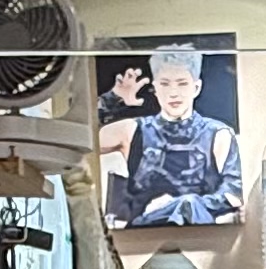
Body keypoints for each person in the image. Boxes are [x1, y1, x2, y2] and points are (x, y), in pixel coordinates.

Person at [97, 41, 244, 226]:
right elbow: (82, 140)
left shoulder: (218, 135)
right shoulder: (132, 130)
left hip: (201, 232)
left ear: (196, 88)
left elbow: (233, 194)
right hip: (143, 232)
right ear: (155, 88)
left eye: (182, 84)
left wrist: (181, 205)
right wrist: (112, 99)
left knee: (188, 204)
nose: (173, 93)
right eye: (165, 84)